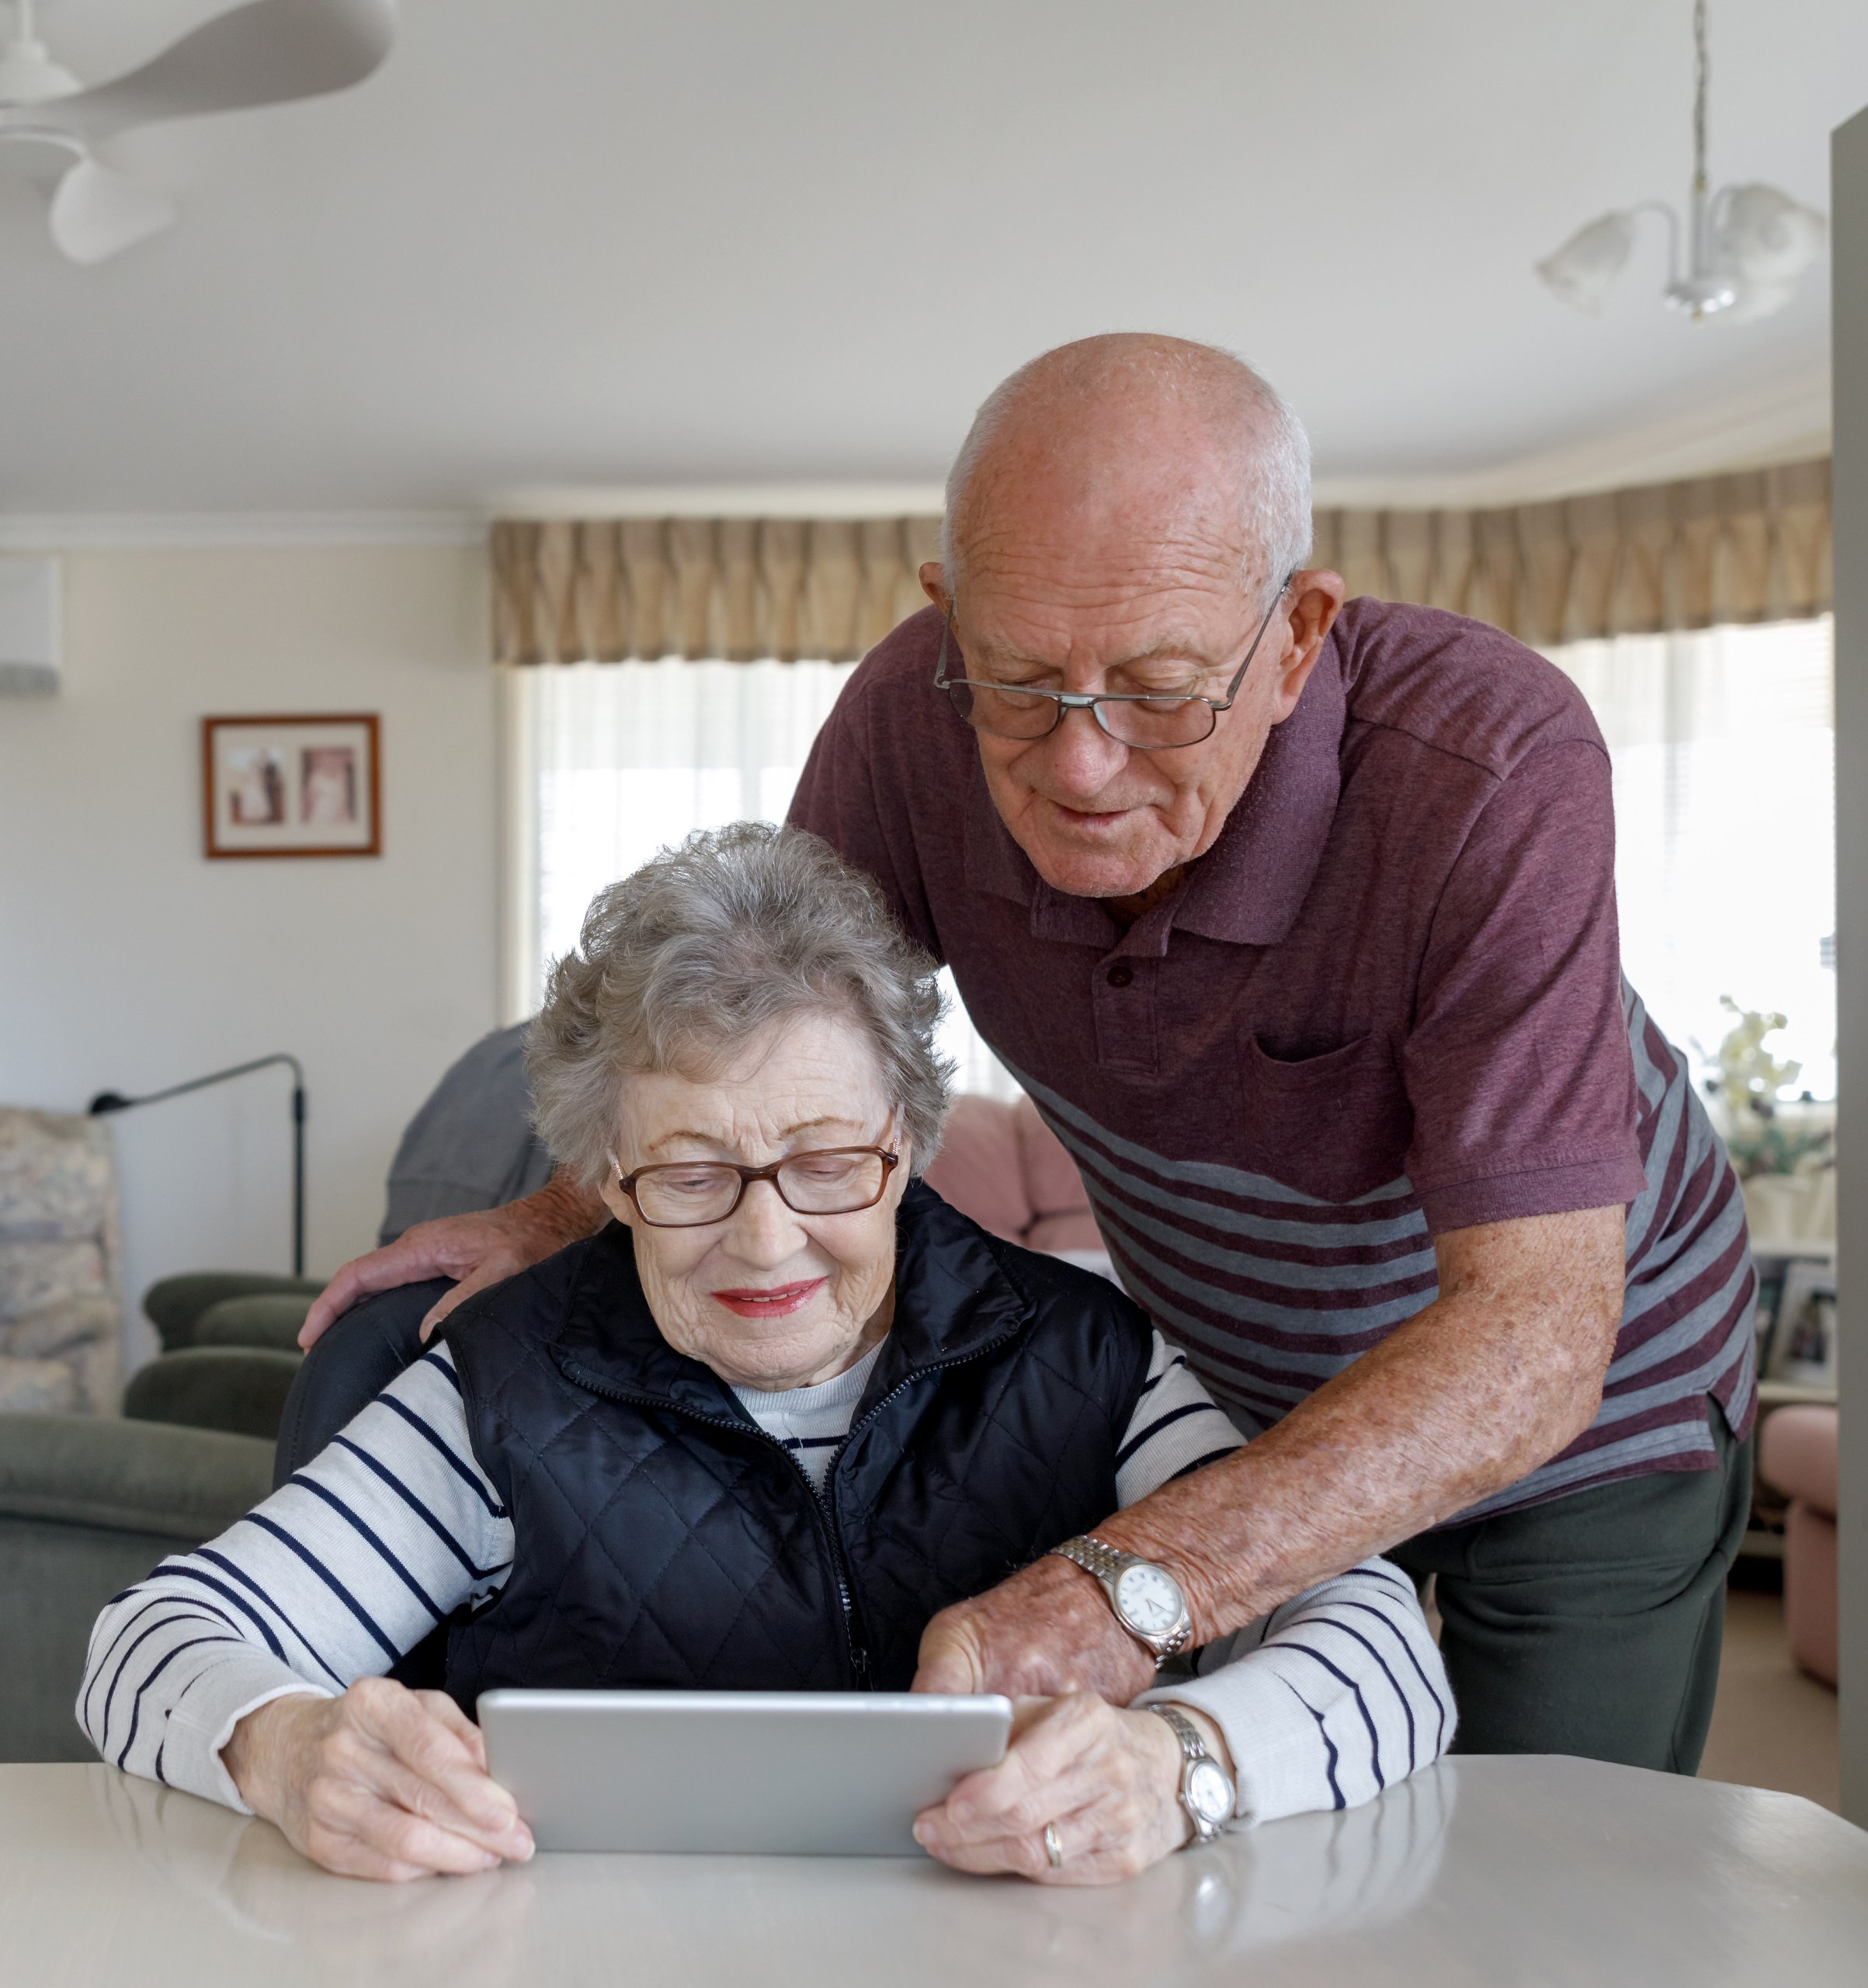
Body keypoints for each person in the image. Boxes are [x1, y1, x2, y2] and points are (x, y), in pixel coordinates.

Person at [301, 334, 1754, 1774]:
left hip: (1583, 1414)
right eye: (1020, 682)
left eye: (1160, 688)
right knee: (1289, 1852)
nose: (1077, 766)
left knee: (1548, 1872)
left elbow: (1535, 1334)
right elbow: (749, 1027)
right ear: (949, 623)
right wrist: (552, 1214)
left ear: (1299, 635)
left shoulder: (1489, 772)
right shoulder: (906, 725)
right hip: (1253, 1403)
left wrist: (1136, 1583)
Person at [85, 826, 1452, 1884]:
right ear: (605, 1179)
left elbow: (1390, 1652)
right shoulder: (495, 1385)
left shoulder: (1089, 1360)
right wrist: (282, 1743)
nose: (765, 1241)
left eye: (825, 1164)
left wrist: (1181, 1767)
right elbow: (148, 1641)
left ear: (907, 1145)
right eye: (689, 1175)